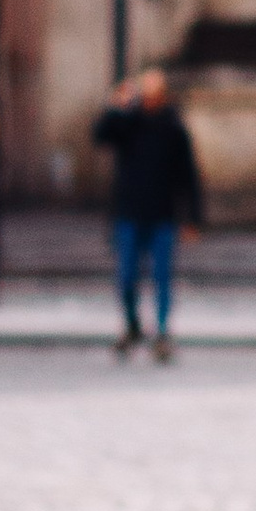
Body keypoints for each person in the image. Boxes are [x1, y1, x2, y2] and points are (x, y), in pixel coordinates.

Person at [93, 66, 204, 360]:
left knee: (162, 277)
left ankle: (162, 332)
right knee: (126, 276)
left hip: (162, 214)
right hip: (129, 212)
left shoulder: (173, 127)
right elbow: (101, 136)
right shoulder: (128, 123)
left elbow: (188, 175)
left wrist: (192, 217)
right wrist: (115, 107)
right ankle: (132, 325)